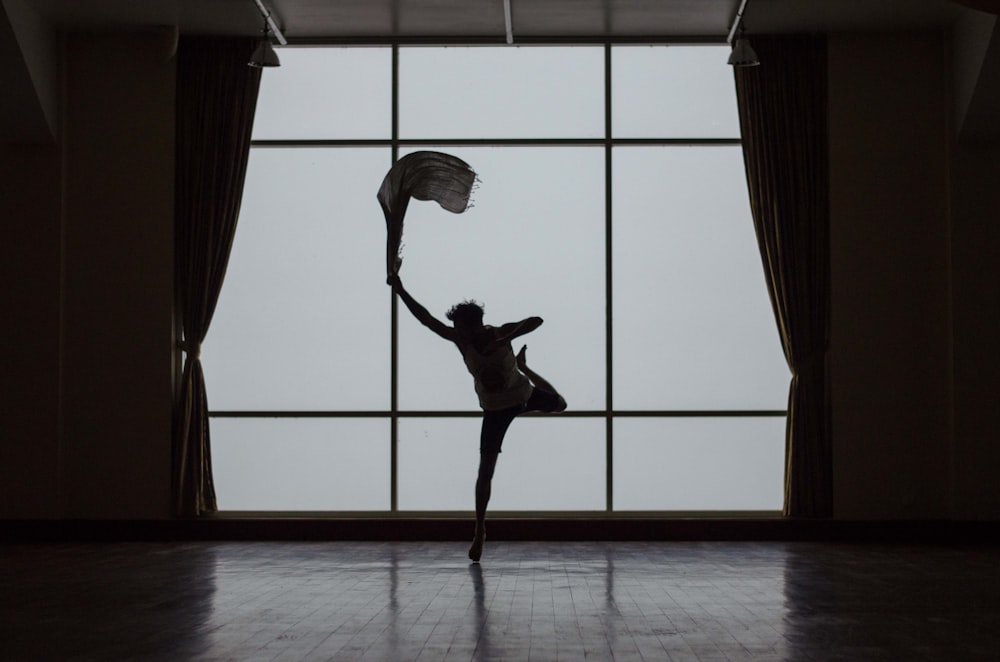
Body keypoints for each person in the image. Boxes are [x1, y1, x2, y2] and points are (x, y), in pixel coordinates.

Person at [387, 274, 566, 562]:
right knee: (485, 470)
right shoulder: (461, 341)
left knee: (561, 404)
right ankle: (479, 531)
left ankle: (525, 368)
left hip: (523, 395)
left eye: (461, 328)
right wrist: (401, 289)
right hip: (495, 410)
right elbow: (426, 319)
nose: (458, 332)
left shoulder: (497, 333)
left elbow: (536, 320)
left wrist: (506, 341)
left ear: (475, 325)